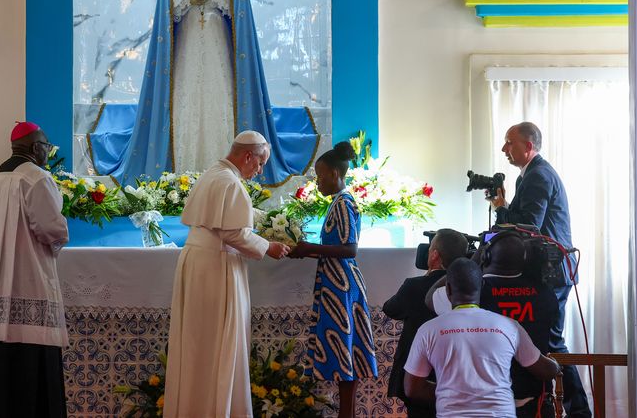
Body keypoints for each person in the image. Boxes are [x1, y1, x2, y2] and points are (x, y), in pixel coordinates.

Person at [109, 0, 304, 185]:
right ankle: (186, 172)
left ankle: (223, 171)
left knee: (218, 94)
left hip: (215, 36)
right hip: (188, 35)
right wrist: (189, 0)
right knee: (188, 93)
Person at [163, 130, 290, 418]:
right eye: (259, 164)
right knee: (215, 343)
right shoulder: (229, 182)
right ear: (248, 156)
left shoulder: (214, 174)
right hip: (215, 266)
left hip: (200, 262)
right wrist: (267, 246)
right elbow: (232, 232)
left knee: (198, 344)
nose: (259, 171)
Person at [0, 122, 69, 418]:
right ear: (35, 148)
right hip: (29, 282)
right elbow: (51, 229)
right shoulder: (36, 178)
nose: (48, 152)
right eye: (46, 146)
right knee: (30, 370)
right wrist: (61, 234)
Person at [488, 122, 590, 417]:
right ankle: (545, 404)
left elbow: (530, 223)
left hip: (552, 270)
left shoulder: (538, 175)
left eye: (509, 143)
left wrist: (503, 210)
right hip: (545, 269)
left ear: (528, 146)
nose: (504, 149)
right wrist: (502, 206)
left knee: (552, 342)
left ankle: (579, 410)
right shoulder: (528, 175)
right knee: (543, 340)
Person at [405, 259, 560, 418]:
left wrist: (456, 393)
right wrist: (555, 365)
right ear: (482, 286)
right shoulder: (509, 326)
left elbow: (412, 389)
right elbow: (545, 371)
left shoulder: (428, 330)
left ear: (448, 289)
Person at [288, 142, 378, 418]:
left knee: (345, 347)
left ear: (335, 174)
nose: (318, 182)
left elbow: (349, 250)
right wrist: (306, 253)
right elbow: (337, 248)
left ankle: (346, 414)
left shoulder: (344, 203)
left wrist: (309, 249)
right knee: (343, 350)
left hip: (342, 285)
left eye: (320, 176)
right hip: (335, 281)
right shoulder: (338, 203)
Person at [382, 229, 468, 418]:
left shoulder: (414, 286)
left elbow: (390, 308)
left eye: (430, 249)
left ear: (435, 255)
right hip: (456, 372)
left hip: (418, 375)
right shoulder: (469, 289)